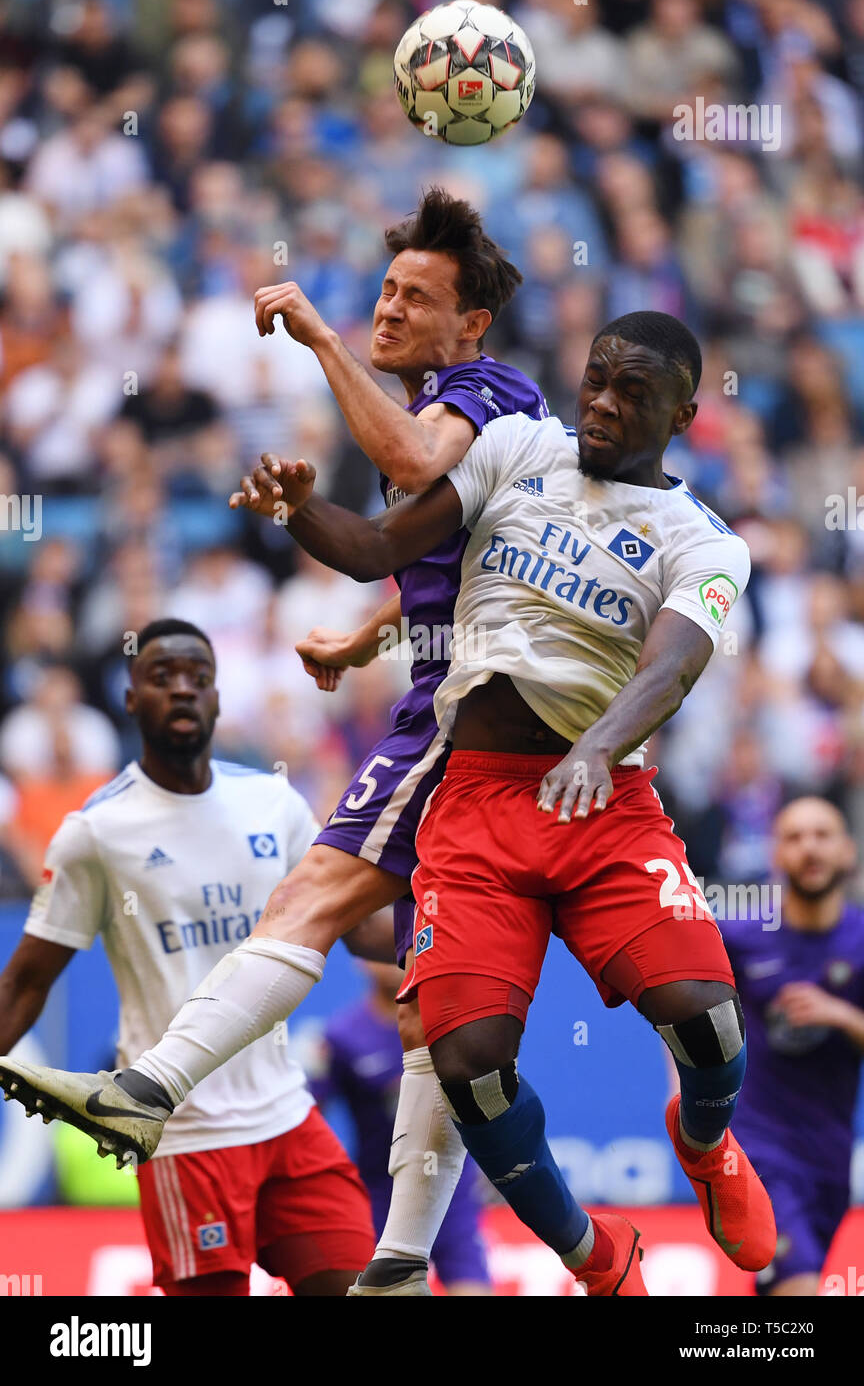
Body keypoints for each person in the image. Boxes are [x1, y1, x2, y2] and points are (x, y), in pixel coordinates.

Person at [0, 311, 777, 1295]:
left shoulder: (703, 539)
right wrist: (298, 511)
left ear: (686, 415)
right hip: (479, 802)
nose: (604, 404)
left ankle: (705, 1147)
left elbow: (671, 664)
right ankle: (593, 1256)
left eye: (633, 393)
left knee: (710, 1030)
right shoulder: (517, 447)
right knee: (471, 1068)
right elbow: (379, 549)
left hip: (604, 797)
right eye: (596, 379)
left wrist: (596, 743)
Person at [0, 187, 547, 1299]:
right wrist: (358, 624)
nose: (391, 309)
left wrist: (322, 338)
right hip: (496, 716)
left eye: (417, 298)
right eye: (385, 291)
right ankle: (418, 1251)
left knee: (309, 900)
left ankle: (148, 1086)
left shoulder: (473, 398)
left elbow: (403, 464)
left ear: (472, 324)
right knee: (433, 1004)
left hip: (466, 722)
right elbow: (424, 556)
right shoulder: (101, 827)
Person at [0, 619, 377, 1296]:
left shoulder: (274, 804)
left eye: (197, 680)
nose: (182, 691)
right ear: (130, 700)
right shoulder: (96, 833)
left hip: (288, 1116)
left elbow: (358, 929)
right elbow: (27, 983)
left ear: (219, 699)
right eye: (162, 678)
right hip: (185, 1136)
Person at [720, 796, 864, 1296]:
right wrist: (684, 1089)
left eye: (822, 835)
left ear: (848, 851)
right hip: (758, 1149)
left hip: (829, 1157)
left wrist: (842, 1015)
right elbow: (677, 1005)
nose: (809, 848)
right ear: (776, 856)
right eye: (794, 837)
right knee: (799, 1288)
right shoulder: (738, 936)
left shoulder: (861, 939)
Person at [314, 960, 493, 1296]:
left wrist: (496, 1161)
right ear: (361, 957)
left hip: (450, 1185)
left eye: (400, 949)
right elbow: (311, 1111)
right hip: (380, 1191)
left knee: (471, 1284)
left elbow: (489, 1098)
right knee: (376, 1287)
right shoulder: (341, 1035)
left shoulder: (451, 1024)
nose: (392, 960)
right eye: (382, 950)